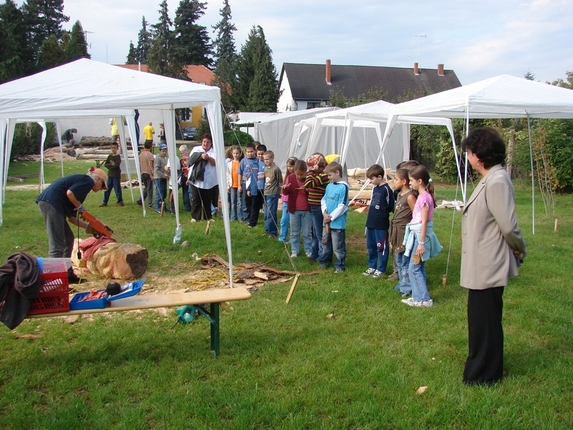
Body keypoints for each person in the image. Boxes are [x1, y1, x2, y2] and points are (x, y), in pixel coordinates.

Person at [460, 127, 527, 386]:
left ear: (479, 155)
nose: (467, 156)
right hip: (481, 263)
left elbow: (508, 226)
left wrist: (519, 247)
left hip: (488, 264)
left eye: (469, 152)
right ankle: (486, 370)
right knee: (482, 322)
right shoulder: (490, 178)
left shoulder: (497, 180)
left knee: (484, 323)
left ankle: (483, 376)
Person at [36, 167, 107, 283]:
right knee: (57, 244)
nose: (101, 189)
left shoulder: (81, 188)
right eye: (102, 185)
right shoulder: (88, 180)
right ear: (97, 179)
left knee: (68, 239)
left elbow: (72, 218)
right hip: (51, 204)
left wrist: (89, 228)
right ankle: (53, 280)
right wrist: (81, 208)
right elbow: (70, 193)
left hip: (52, 204)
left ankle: (67, 275)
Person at [401, 165, 443, 308]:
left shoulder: (424, 198)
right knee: (418, 267)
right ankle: (417, 296)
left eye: (411, 180)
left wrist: (421, 243)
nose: (410, 183)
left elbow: (424, 221)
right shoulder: (422, 196)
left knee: (414, 268)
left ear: (420, 181)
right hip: (416, 236)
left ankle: (424, 299)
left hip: (419, 238)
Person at [363, 164, 395, 279]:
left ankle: (381, 268)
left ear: (380, 176)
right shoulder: (375, 188)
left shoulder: (386, 189)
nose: (370, 181)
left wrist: (382, 212)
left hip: (381, 224)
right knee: (370, 245)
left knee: (381, 246)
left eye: (372, 178)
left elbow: (391, 205)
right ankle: (372, 265)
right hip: (371, 222)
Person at [389, 168, 416, 296]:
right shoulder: (399, 195)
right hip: (396, 230)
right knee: (398, 259)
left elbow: (416, 215)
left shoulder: (410, 197)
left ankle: (407, 287)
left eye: (396, 179)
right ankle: (401, 283)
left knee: (404, 260)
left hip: (404, 232)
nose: (394, 182)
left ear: (404, 181)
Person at [318, 162, 349, 273]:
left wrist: (331, 217)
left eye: (330, 175)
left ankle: (340, 265)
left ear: (337, 172)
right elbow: (324, 200)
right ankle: (324, 261)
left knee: (338, 245)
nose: (328, 177)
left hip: (337, 223)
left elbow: (343, 206)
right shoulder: (329, 186)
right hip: (326, 221)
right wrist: (324, 213)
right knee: (325, 243)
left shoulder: (344, 187)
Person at [282, 160, 312, 258]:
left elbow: (313, 192)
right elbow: (286, 193)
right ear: (294, 171)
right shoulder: (290, 178)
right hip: (294, 209)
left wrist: (308, 190)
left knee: (307, 232)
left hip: (306, 209)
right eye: (297, 174)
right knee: (294, 231)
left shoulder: (309, 178)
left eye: (301, 174)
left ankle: (308, 250)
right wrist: (285, 188)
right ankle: (295, 251)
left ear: (306, 171)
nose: (299, 176)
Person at [302, 153, 328, 260]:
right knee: (314, 232)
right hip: (313, 206)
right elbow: (309, 185)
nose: (310, 169)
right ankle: (315, 253)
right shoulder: (317, 175)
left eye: (312, 166)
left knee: (318, 233)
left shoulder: (323, 175)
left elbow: (308, 183)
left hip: (318, 207)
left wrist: (311, 172)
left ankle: (322, 256)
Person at [187, 133, 217, 222]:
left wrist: (208, 158)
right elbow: (192, 159)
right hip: (196, 179)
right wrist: (201, 156)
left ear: (211, 143)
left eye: (208, 142)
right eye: (204, 141)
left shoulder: (214, 152)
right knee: (196, 198)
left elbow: (215, 163)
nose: (205, 144)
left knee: (207, 199)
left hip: (209, 180)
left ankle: (208, 216)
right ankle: (195, 217)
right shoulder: (196, 149)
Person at [238, 143, 259, 227]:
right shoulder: (243, 161)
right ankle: (246, 218)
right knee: (245, 201)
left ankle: (252, 218)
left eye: (252, 151)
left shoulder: (257, 160)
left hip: (254, 183)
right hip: (244, 183)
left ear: (255, 151)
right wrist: (239, 185)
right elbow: (240, 173)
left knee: (253, 202)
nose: (250, 153)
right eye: (248, 152)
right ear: (245, 152)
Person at [263, 150, 283, 238]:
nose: (266, 161)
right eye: (264, 159)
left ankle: (273, 232)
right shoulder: (265, 168)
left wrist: (280, 193)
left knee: (271, 213)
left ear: (272, 158)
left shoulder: (276, 169)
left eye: (268, 159)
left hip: (273, 193)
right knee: (266, 213)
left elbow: (280, 182)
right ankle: (267, 230)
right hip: (266, 192)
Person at [100, 139, 124, 207]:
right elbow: (106, 164)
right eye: (112, 148)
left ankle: (120, 201)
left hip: (116, 175)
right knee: (107, 189)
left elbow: (116, 166)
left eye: (115, 148)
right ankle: (104, 202)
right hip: (110, 175)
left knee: (117, 189)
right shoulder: (110, 156)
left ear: (117, 148)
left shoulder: (118, 157)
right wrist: (111, 166)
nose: (113, 149)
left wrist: (111, 166)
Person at [278, 157, 297, 242]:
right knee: (284, 220)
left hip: (293, 201)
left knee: (293, 222)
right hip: (286, 201)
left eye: (291, 166)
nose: (289, 168)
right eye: (288, 166)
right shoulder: (287, 176)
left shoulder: (297, 177)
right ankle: (282, 237)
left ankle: (292, 239)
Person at [226, 145, 243, 221]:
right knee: (233, 202)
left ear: (240, 154)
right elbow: (227, 175)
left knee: (239, 202)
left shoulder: (241, 163)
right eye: (234, 153)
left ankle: (240, 217)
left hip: (239, 185)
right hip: (232, 185)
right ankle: (233, 217)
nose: (236, 155)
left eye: (237, 153)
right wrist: (228, 186)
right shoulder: (229, 163)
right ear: (232, 154)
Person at [137, 140, 154, 208]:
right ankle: (150, 203)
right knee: (150, 189)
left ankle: (141, 199)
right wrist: (151, 175)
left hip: (143, 172)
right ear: (151, 147)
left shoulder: (141, 154)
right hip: (148, 172)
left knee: (146, 187)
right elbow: (150, 165)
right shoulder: (150, 155)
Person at [154, 143, 169, 214]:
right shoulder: (158, 158)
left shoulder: (165, 158)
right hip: (158, 178)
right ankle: (157, 207)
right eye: (163, 151)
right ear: (160, 151)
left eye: (165, 151)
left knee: (164, 193)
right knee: (159, 193)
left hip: (163, 178)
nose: (164, 152)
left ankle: (163, 206)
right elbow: (156, 170)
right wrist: (163, 175)